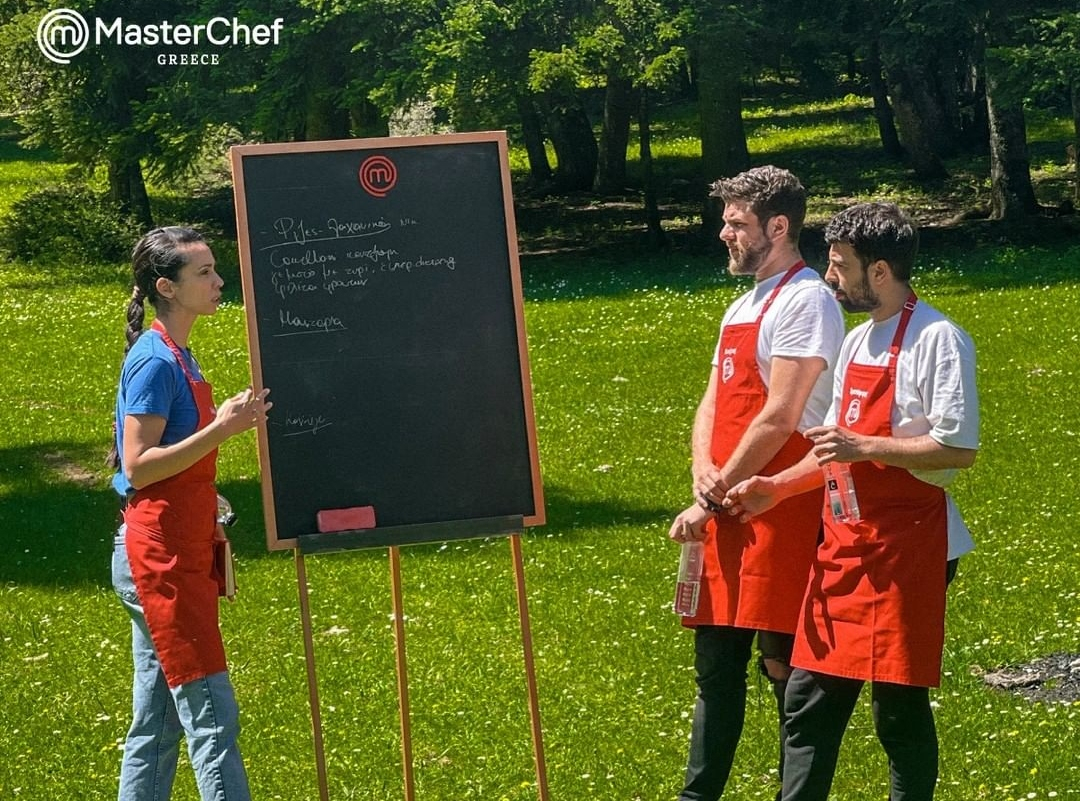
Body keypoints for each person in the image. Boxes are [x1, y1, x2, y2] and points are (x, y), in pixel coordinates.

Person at [723, 201, 980, 801]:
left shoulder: (938, 338)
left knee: (897, 707)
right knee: (809, 698)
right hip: (845, 544)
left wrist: (865, 445)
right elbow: (833, 449)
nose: (830, 277)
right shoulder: (858, 340)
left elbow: (957, 448)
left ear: (881, 271)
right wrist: (774, 489)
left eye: (840, 267)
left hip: (909, 546)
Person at [667, 166, 845, 801]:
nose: (724, 234)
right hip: (724, 508)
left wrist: (709, 497)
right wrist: (700, 471)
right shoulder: (740, 304)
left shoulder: (807, 300)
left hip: (780, 505)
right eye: (726, 221)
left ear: (779, 226)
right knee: (716, 667)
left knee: (784, 668)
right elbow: (712, 401)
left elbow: (782, 414)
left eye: (736, 223)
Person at [108, 226, 272, 801]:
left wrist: (207, 492)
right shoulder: (154, 360)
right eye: (203, 272)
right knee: (212, 718)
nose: (218, 280)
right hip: (161, 562)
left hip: (178, 542)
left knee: (155, 729)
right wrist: (220, 430)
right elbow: (139, 465)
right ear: (166, 287)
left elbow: (173, 462)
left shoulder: (178, 351)